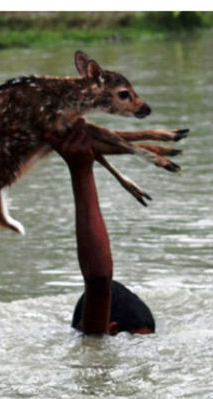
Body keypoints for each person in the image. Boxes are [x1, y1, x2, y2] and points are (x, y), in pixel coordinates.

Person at [49, 119, 155, 336]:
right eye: (137, 342)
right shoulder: (96, 340)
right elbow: (98, 281)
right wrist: (81, 171)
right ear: (112, 330)